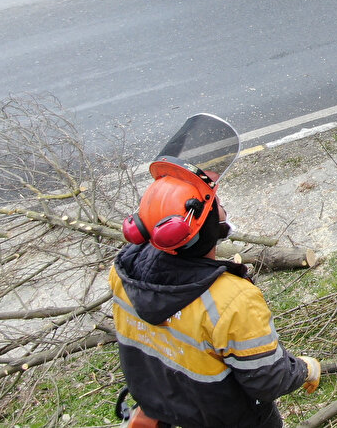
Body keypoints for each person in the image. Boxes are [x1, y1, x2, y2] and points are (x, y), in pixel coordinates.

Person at [111, 156, 320, 428]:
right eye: (216, 204)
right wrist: (304, 368)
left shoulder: (122, 273)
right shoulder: (231, 300)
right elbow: (269, 379)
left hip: (161, 404)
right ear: (206, 227)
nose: (222, 207)